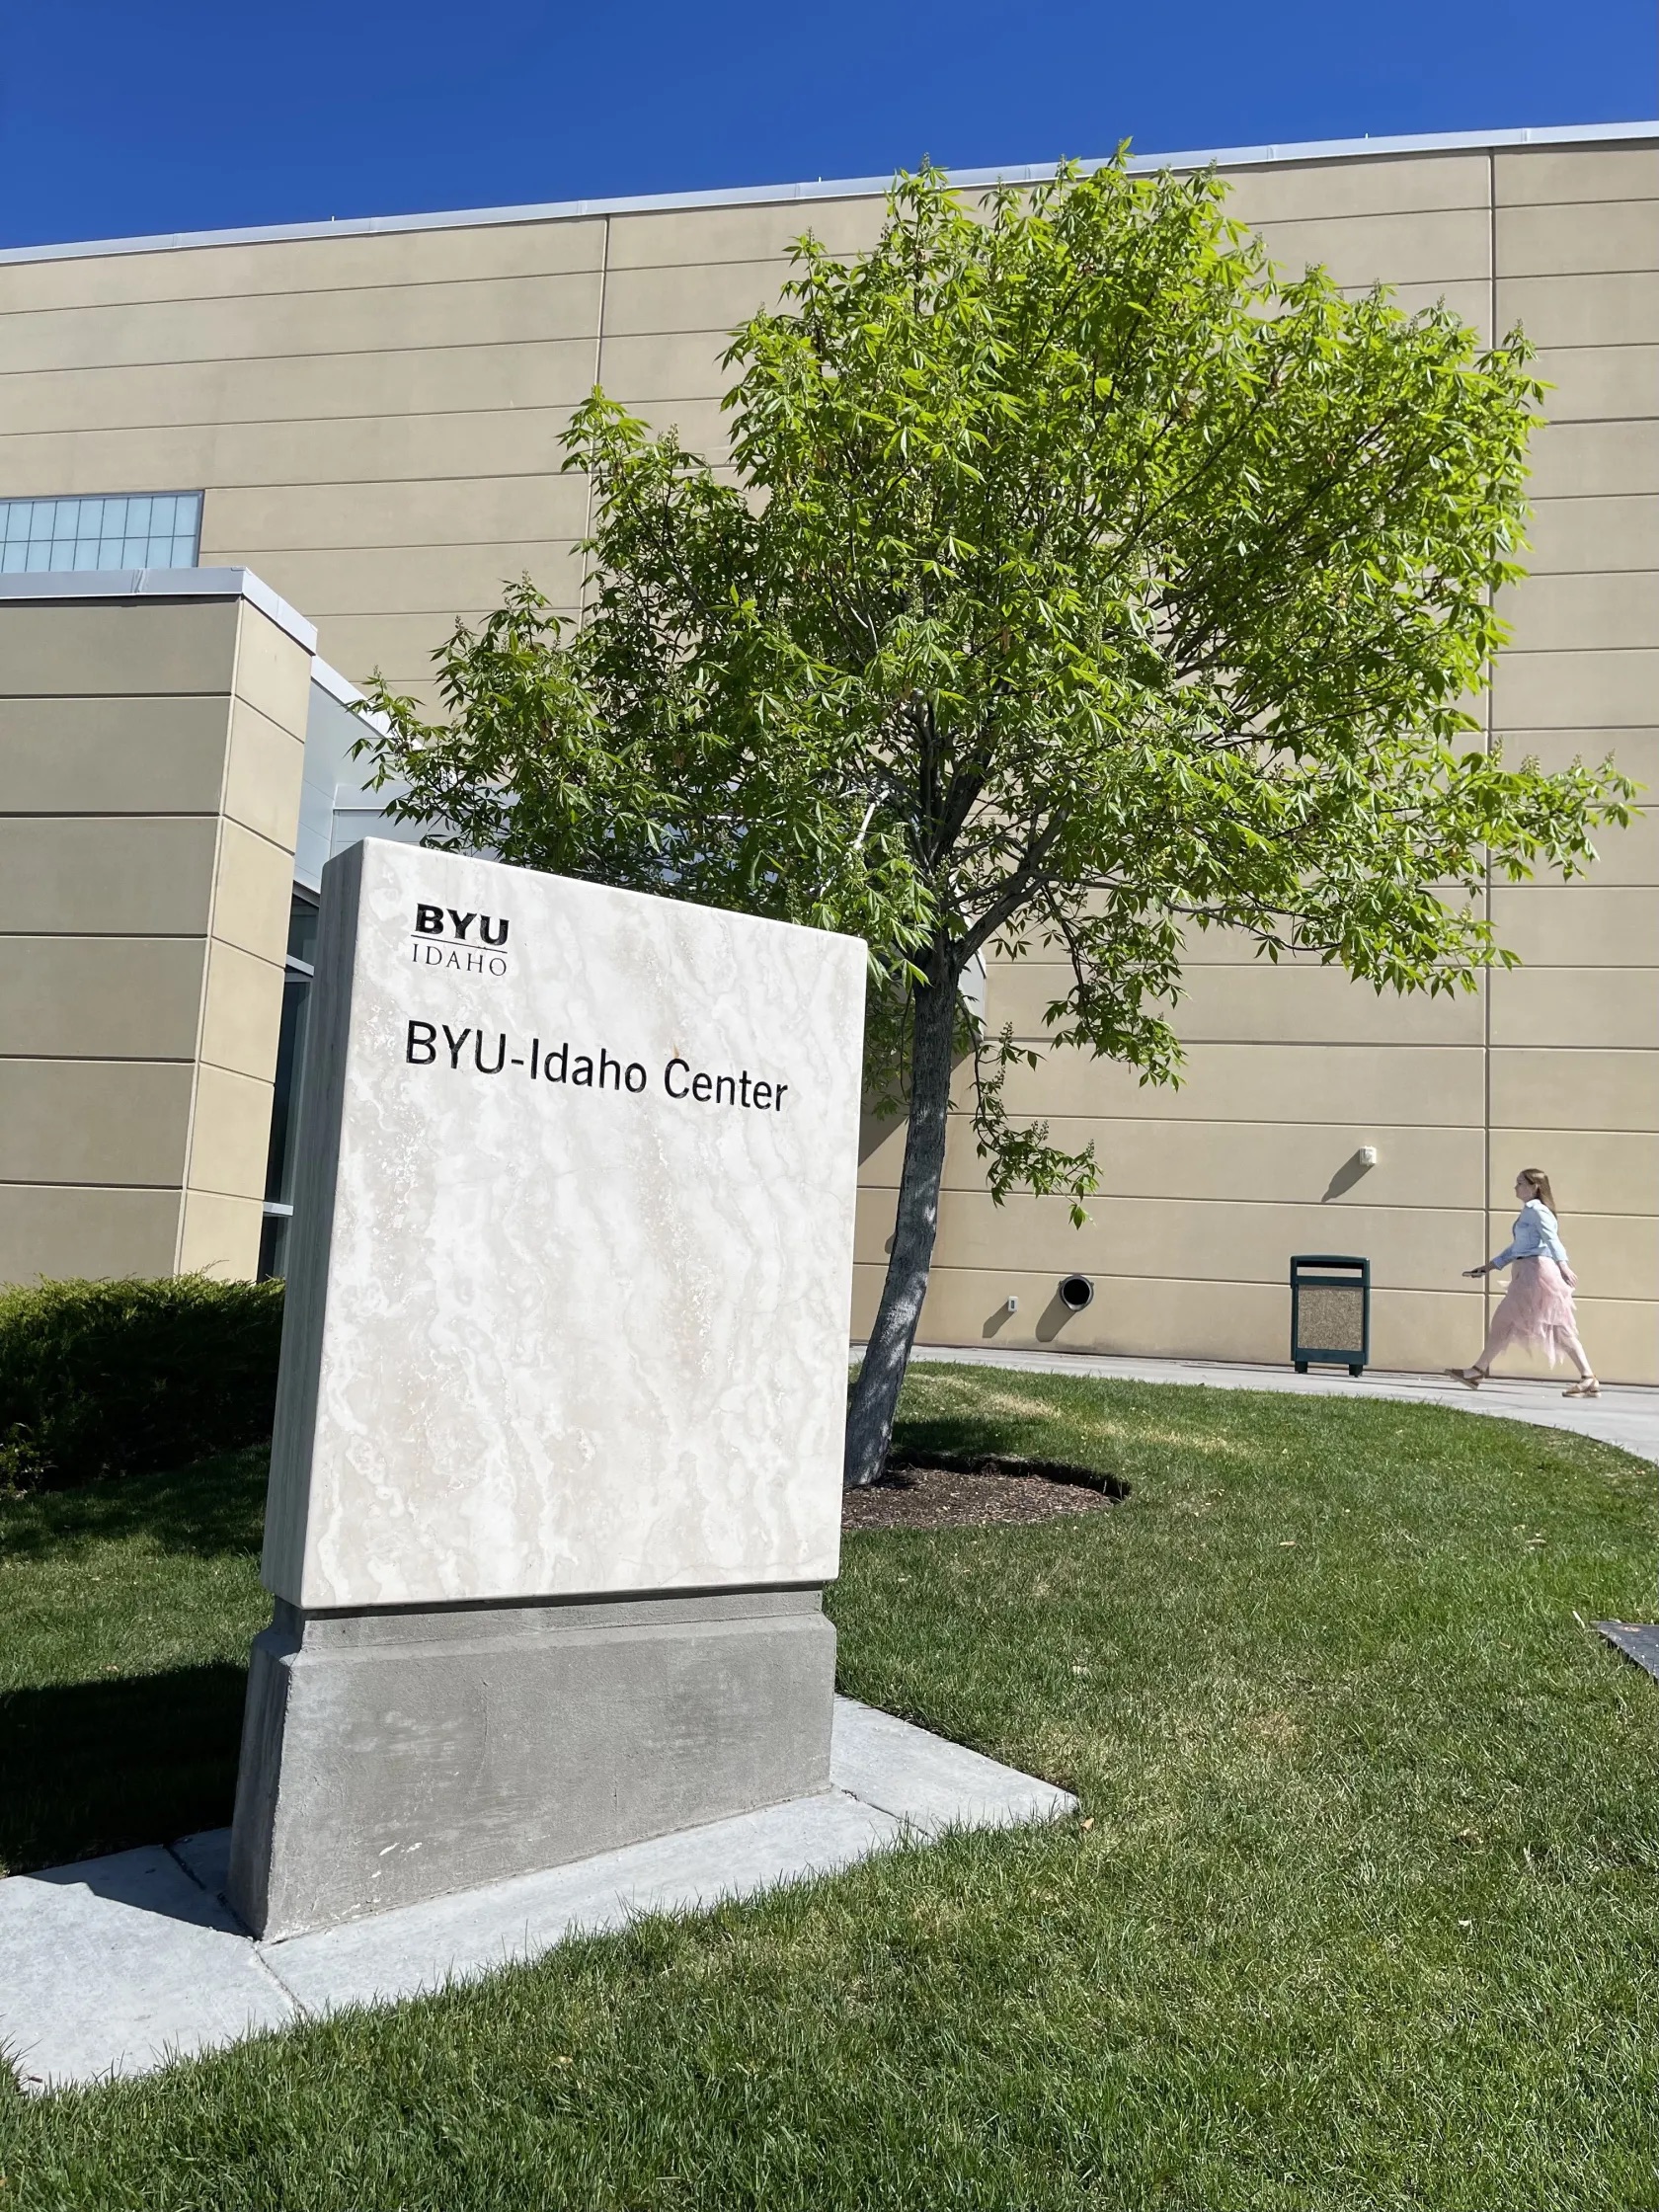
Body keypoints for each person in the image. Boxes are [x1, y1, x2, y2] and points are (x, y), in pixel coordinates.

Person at [1452, 1168, 1599, 1397]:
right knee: (1557, 1325)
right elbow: (1517, 1248)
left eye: (1520, 1183)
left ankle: (1476, 1371)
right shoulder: (1533, 1211)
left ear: (1534, 1187)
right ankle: (1588, 1377)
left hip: (1535, 1273)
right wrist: (1489, 1266)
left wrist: (1564, 1265)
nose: (1516, 1187)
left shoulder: (1534, 1210)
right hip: (1531, 1271)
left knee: (1506, 1320)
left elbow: (1552, 1239)